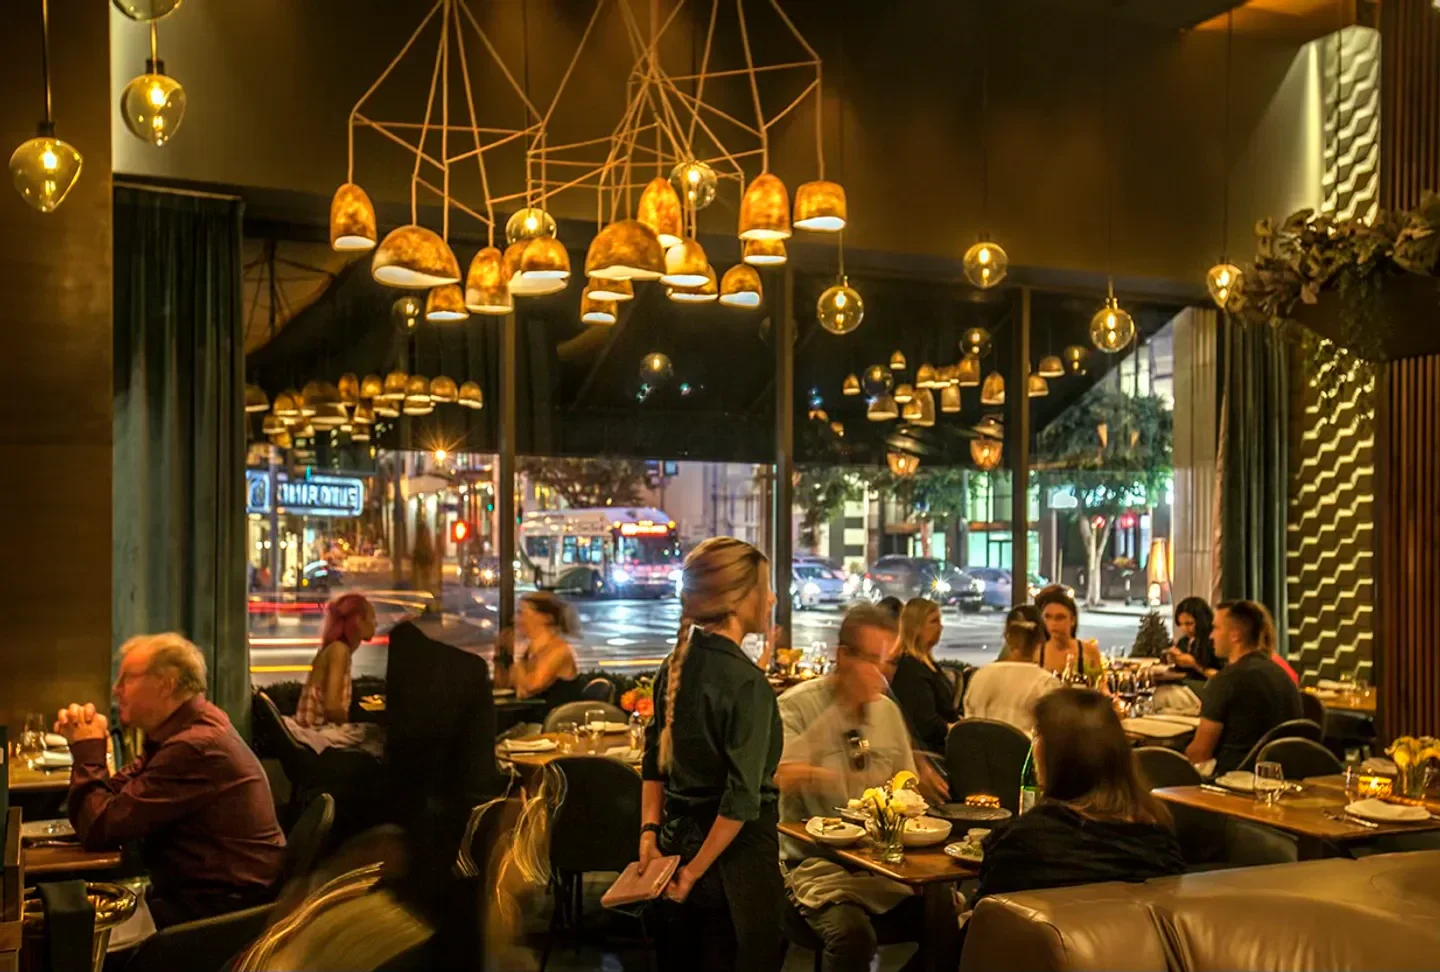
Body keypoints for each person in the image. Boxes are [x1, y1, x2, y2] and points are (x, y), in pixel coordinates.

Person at [55, 633, 286, 929]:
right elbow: (115, 800)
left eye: (126, 679)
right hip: (200, 894)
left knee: (71, 934)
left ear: (166, 683)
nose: (116, 689)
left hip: (217, 911)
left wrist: (88, 750)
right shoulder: (186, 727)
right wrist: (96, 748)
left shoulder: (194, 746)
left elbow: (100, 828)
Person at [639, 537, 785, 971]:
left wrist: (649, 834)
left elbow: (653, 762)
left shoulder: (676, 664)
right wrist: (695, 873)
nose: (773, 597)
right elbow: (740, 801)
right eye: (765, 586)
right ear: (737, 599)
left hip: (672, 851)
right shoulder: (747, 684)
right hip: (734, 874)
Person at [776, 604, 933, 972]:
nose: (882, 675)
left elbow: (905, 791)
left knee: (953, 920)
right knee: (852, 935)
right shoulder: (795, 706)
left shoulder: (888, 713)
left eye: (890, 663)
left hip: (881, 867)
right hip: (812, 865)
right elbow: (781, 774)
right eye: (872, 660)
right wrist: (843, 708)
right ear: (843, 656)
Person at [971, 689, 1185, 908]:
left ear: (1052, 755)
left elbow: (984, 924)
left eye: (1038, 736)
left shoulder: (1022, 842)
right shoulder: (1160, 842)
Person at [1184, 600, 1303, 776]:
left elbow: (1200, 753)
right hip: (1283, 778)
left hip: (1233, 784)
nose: (1211, 636)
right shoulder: (1281, 675)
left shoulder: (1226, 680)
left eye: (1216, 628)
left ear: (1235, 636)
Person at [287, 593, 382, 754]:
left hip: (315, 732)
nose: (376, 623)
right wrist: (348, 723)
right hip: (319, 734)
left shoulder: (334, 648)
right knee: (379, 738)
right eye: (372, 618)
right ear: (358, 620)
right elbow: (332, 706)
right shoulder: (339, 651)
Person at [963, 606, 1058, 736]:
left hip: (976, 754)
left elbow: (968, 723)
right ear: (1041, 639)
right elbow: (1052, 735)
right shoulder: (1045, 683)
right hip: (1023, 756)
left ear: (1007, 636)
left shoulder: (979, 676)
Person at [889, 598, 959, 753]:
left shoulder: (927, 663)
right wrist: (958, 730)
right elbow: (926, 723)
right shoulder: (909, 668)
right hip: (932, 751)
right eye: (934, 621)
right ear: (916, 627)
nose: (940, 627)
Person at [492, 592, 581, 712]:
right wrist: (500, 654)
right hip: (531, 719)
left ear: (544, 617)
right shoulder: (531, 650)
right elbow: (503, 685)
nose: (516, 619)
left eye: (522, 613)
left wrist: (518, 658)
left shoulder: (558, 650)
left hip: (551, 723)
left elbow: (531, 686)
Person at [1036, 586, 1104, 680]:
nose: (1053, 623)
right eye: (1048, 617)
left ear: (1073, 620)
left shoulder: (1089, 652)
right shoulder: (1036, 654)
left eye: (1060, 617)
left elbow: (1101, 686)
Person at [1162, 596, 1223, 679]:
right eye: (1181, 624)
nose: (1184, 629)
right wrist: (1173, 659)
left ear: (1202, 620)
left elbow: (1222, 677)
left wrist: (1195, 665)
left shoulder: (1213, 642)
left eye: (1189, 624)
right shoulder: (1184, 641)